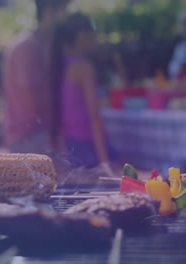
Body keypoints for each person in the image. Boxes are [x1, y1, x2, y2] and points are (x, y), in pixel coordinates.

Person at [2, 0, 69, 154]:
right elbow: (30, 103)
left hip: (41, 135)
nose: (66, 17)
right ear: (49, 10)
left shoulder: (43, 44)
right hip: (28, 138)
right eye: (64, 10)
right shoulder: (27, 47)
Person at [53, 13, 112, 169]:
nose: (96, 36)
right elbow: (94, 116)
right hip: (86, 147)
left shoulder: (60, 64)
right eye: (93, 31)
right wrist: (105, 161)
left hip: (69, 146)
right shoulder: (83, 68)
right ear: (81, 36)